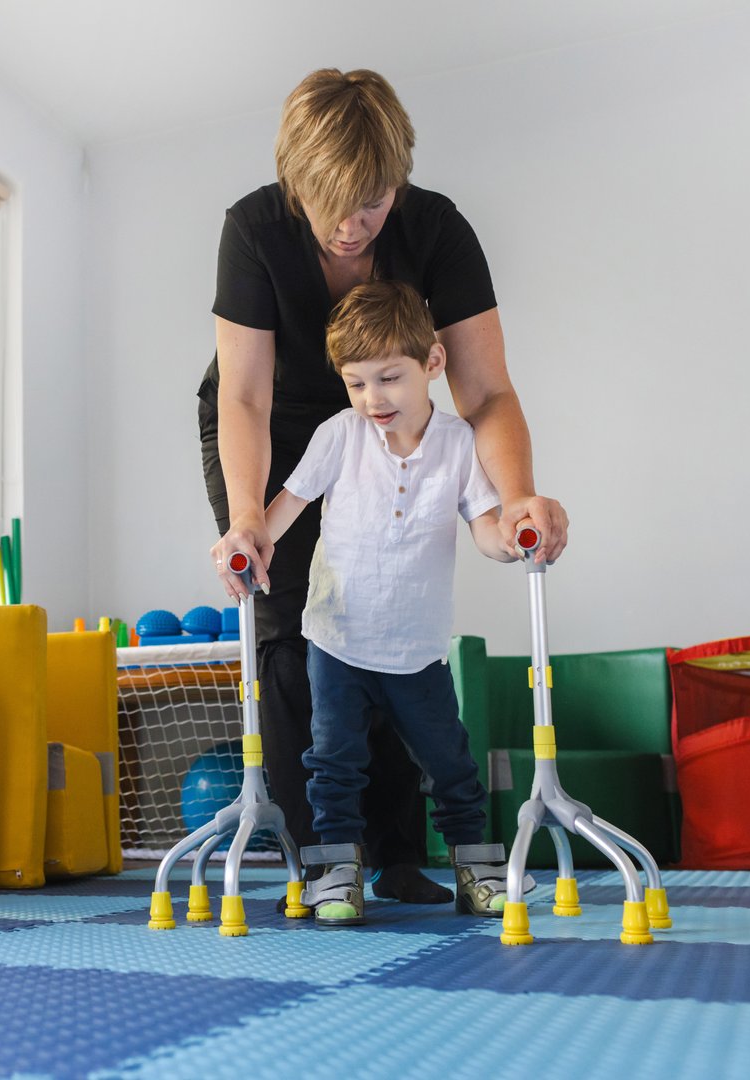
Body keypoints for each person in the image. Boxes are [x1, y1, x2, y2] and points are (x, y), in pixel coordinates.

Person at [198, 68, 568, 903]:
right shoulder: (254, 228)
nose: (348, 225)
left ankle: (401, 854)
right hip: (277, 420)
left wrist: (514, 501)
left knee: (394, 623)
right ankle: (329, 857)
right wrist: (250, 516)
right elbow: (245, 395)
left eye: (370, 203)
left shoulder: (436, 229)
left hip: (397, 411)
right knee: (295, 628)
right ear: (295, 182)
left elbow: (485, 392)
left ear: (396, 180)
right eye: (328, 202)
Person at [253, 279, 520, 926]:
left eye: (389, 378)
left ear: (431, 364)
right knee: (332, 763)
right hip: (336, 639)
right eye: (356, 382)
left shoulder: (459, 444)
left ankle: (477, 872)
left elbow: (483, 525)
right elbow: (285, 507)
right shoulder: (339, 436)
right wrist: (248, 538)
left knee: (450, 764)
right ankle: (336, 874)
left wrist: (509, 541)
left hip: (416, 648)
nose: (372, 398)